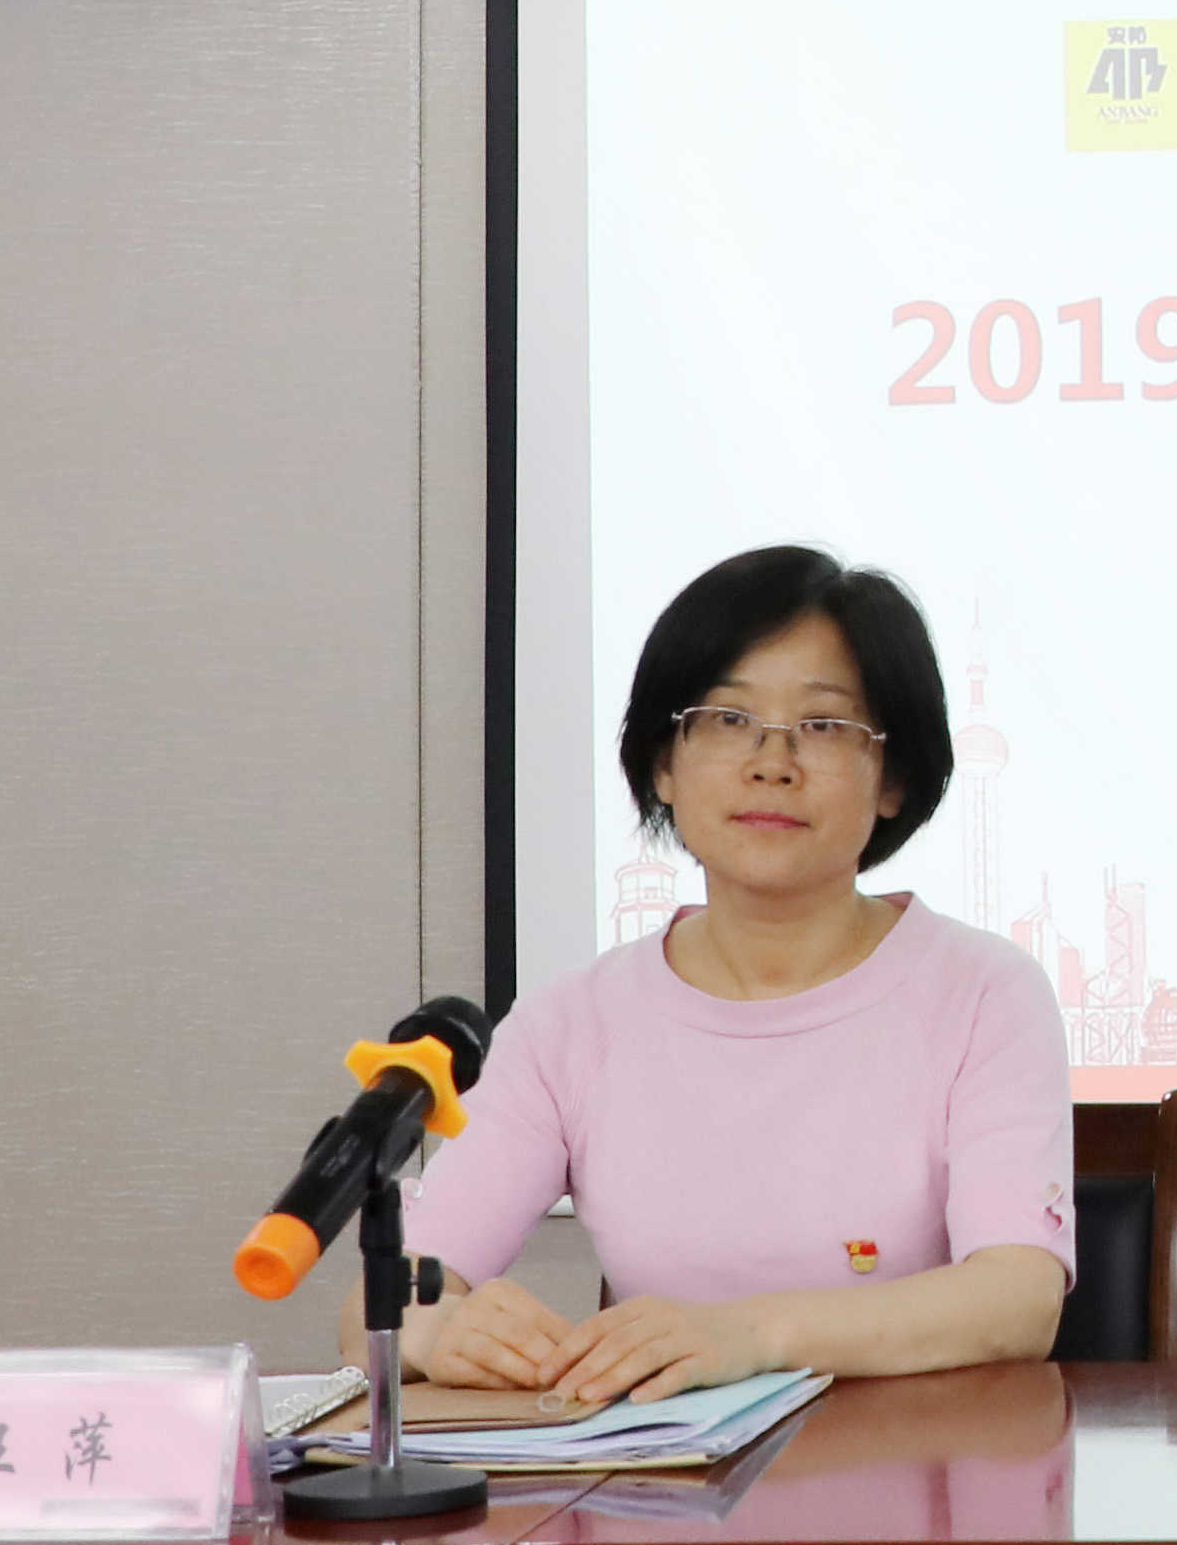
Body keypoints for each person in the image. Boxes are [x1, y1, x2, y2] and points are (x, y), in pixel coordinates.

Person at [400, 547, 1074, 1399]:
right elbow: (392, 1296)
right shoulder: (569, 1024)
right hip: (664, 1475)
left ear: (893, 778)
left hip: (917, 1465)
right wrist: (436, 1327)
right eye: (726, 718)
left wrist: (752, 1335)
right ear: (663, 764)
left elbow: (1018, 1298)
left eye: (823, 725)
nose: (771, 761)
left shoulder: (984, 993)